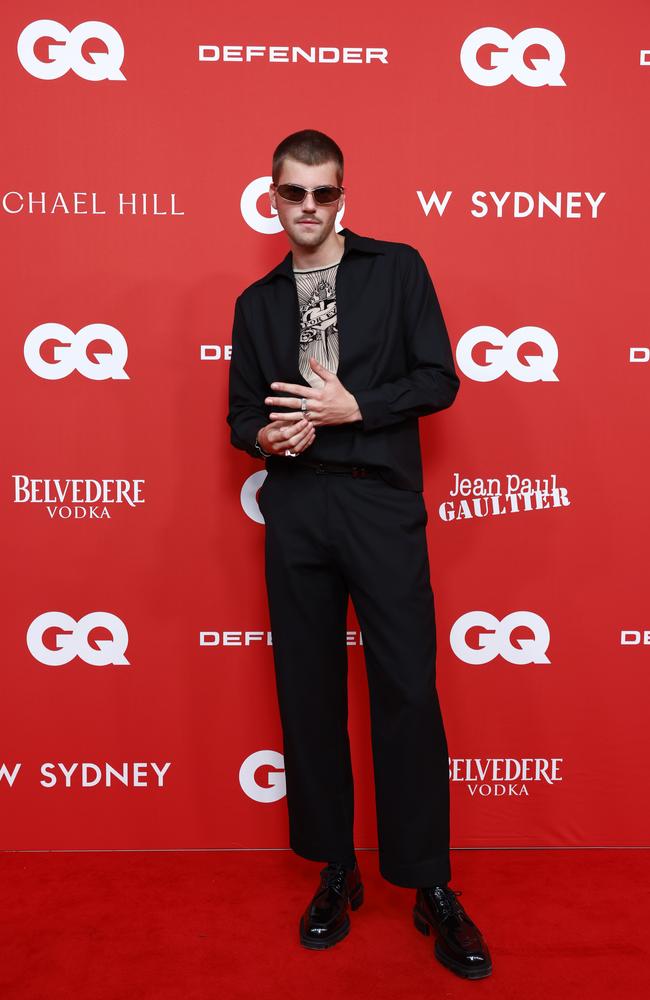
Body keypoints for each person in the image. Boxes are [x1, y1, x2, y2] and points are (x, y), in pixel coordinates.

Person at [227, 129, 492, 980]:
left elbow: (439, 378)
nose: (309, 207)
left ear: (343, 197)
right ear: (273, 197)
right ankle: (335, 870)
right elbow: (237, 417)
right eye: (294, 193)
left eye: (324, 193)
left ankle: (429, 883)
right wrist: (265, 434)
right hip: (297, 505)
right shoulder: (255, 301)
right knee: (307, 693)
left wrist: (355, 409)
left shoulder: (397, 267)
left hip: (379, 499)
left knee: (407, 691)